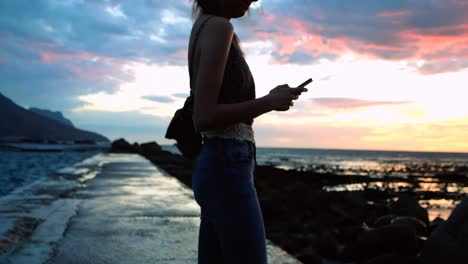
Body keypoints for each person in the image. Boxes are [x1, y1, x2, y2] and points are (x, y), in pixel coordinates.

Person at [190, 0, 307, 263]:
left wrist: (272, 97)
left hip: (217, 164)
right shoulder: (219, 28)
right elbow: (204, 116)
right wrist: (269, 102)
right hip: (226, 167)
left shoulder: (204, 25)